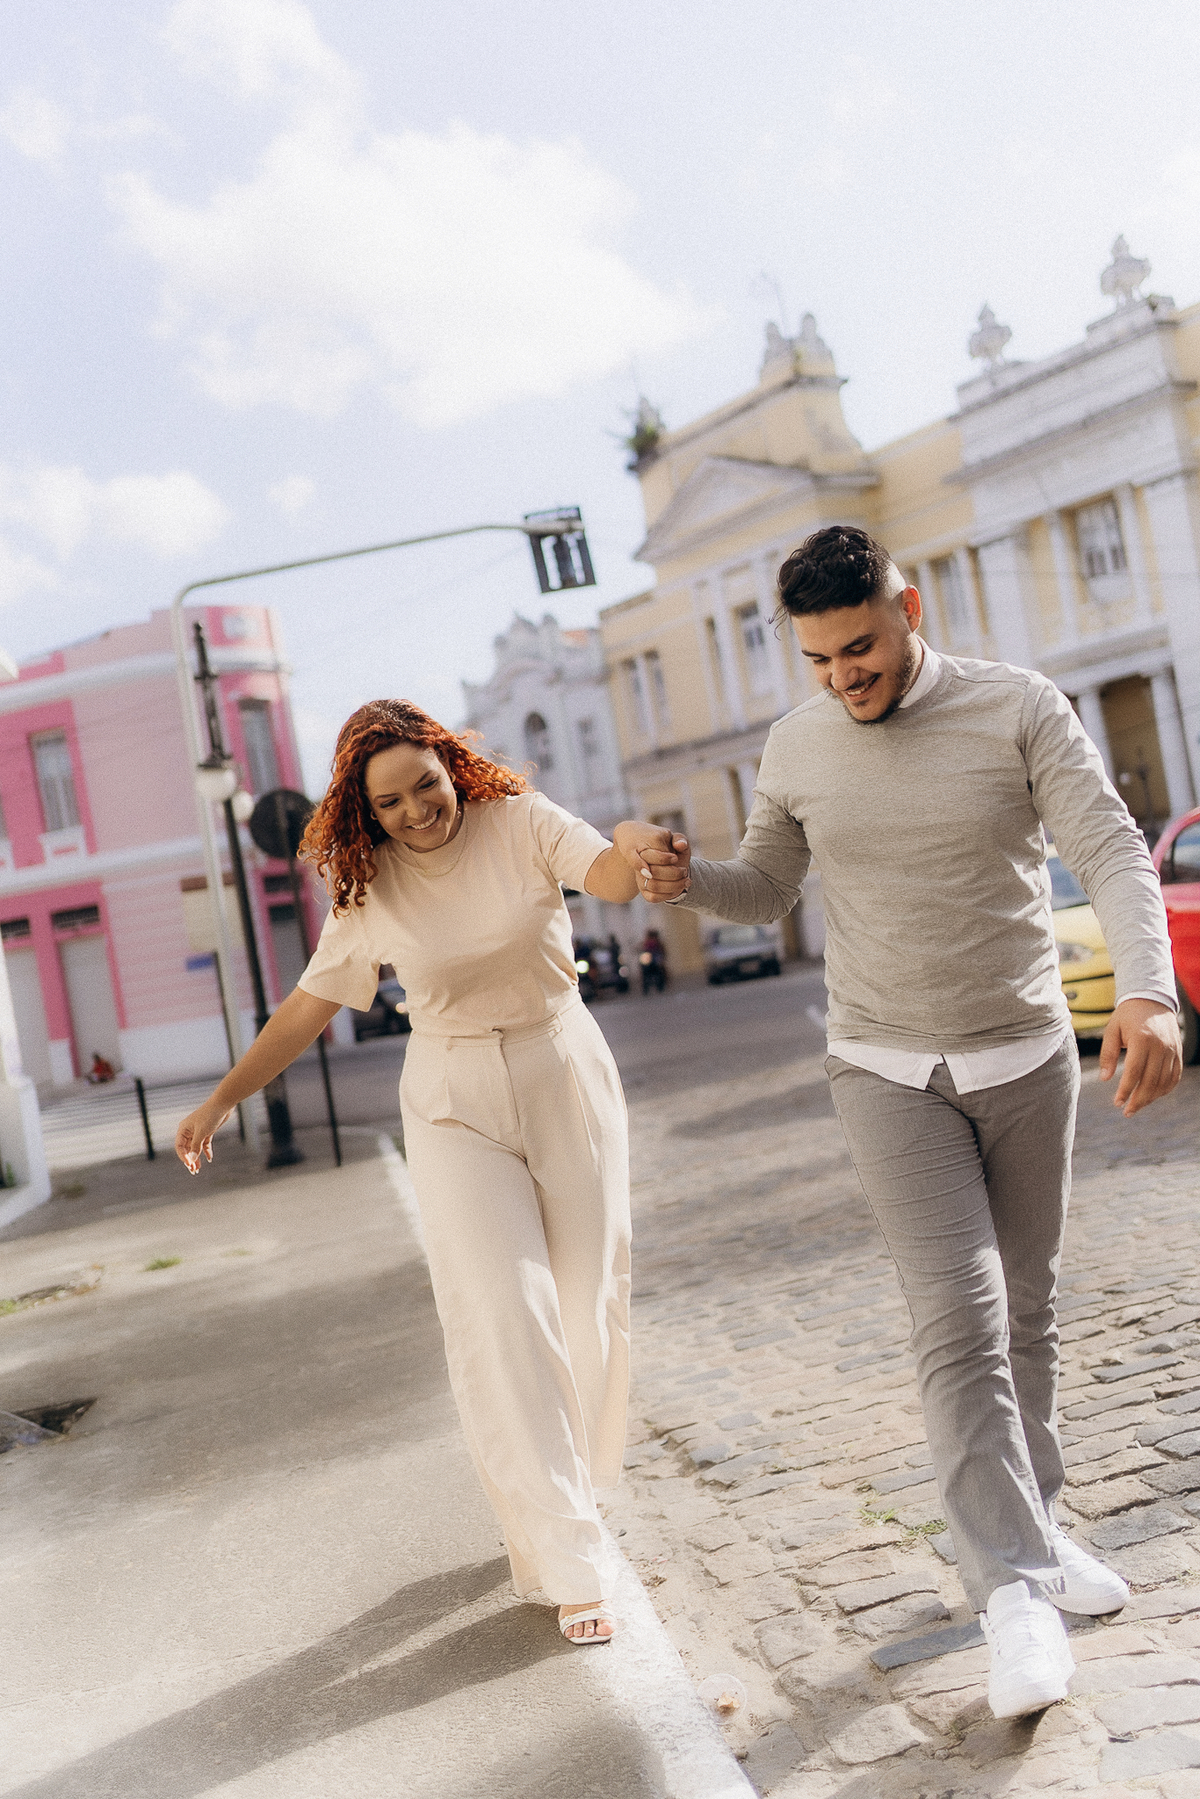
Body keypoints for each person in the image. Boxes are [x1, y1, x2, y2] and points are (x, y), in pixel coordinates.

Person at [649, 527, 1182, 1720]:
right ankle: (1011, 1592)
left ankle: (1035, 1527)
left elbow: (1108, 847)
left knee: (1029, 1307)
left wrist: (1148, 988)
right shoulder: (796, 744)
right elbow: (767, 888)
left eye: (860, 647)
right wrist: (689, 879)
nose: (843, 674)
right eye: (819, 657)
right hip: (885, 1064)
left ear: (910, 608)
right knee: (961, 1315)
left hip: (1026, 1055)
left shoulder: (1018, 706)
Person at [174, 700, 688, 1644]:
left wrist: (632, 840)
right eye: (391, 802)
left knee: (587, 1303)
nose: (418, 810)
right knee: (507, 1312)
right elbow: (306, 1007)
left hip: (563, 1070)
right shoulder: (370, 890)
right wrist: (221, 1099)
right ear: (364, 812)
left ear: (453, 768)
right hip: (454, 1102)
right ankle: (572, 1559)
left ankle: (571, 1493)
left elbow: (610, 874)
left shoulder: (522, 821)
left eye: (427, 785)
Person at [639, 927, 668, 996]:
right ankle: (646, 986)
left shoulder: (655, 942)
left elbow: (661, 951)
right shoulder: (648, 942)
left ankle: (661, 983)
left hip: (654, 959)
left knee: (660, 970)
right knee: (644, 971)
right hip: (649, 959)